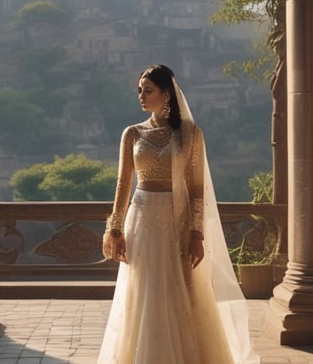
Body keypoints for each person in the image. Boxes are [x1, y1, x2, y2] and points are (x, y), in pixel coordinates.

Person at [98, 64, 259, 364]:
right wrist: (115, 229)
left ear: (166, 95)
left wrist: (196, 234)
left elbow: (196, 189)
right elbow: (123, 184)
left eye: (148, 91)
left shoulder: (190, 135)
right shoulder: (132, 134)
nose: (141, 97)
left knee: (179, 293)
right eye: (139, 91)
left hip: (177, 222)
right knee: (143, 293)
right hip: (142, 221)